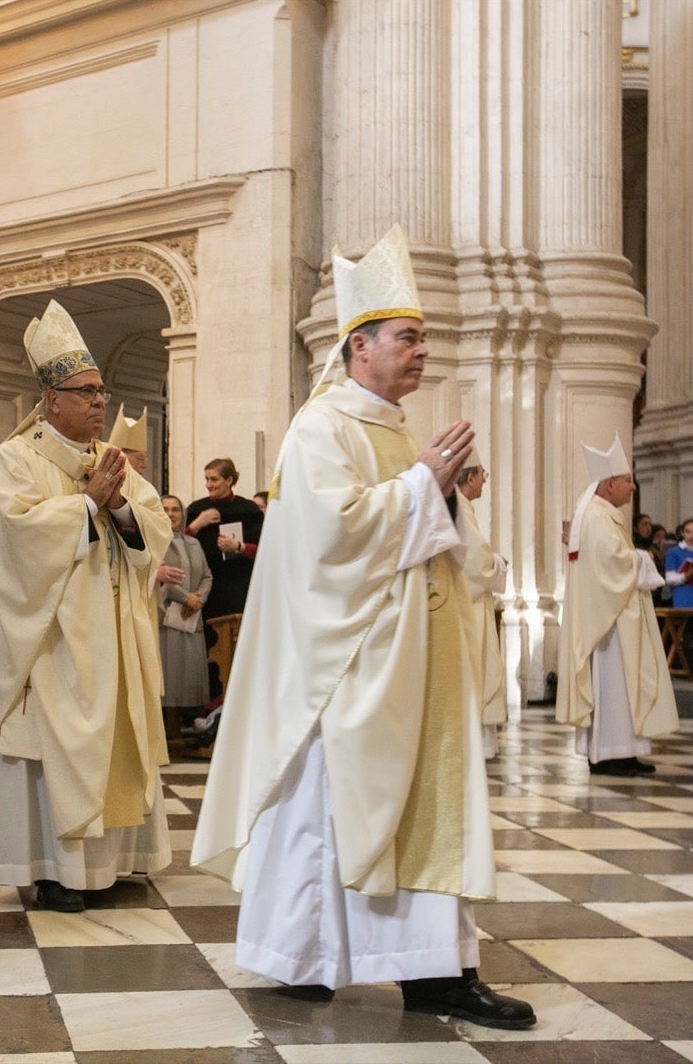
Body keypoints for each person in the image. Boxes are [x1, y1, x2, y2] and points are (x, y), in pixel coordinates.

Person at [191, 226, 532, 1028]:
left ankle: (329, 956)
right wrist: (426, 485)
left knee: (368, 808)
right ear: (359, 345)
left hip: (404, 660)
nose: (421, 351)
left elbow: (418, 529)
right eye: (408, 337)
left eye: (421, 338)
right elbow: (332, 540)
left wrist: (438, 491)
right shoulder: (322, 428)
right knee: (336, 808)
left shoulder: (389, 427)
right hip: (349, 669)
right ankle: (398, 967)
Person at [0, 298, 173, 914]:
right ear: (52, 399)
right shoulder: (16, 459)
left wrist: (116, 506)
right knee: (50, 743)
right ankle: (53, 869)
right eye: (85, 392)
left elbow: (153, 525)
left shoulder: (109, 461)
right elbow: (16, 540)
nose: (99, 403)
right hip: (52, 643)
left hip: (112, 635)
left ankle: (115, 860)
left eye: (101, 392)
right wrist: (86, 505)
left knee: (117, 738)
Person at [556, 435, 679, 777]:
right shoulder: (596, 516)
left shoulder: (599, 513)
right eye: (627, 481)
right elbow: (613, 564)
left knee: (623, 687)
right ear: (610, 485)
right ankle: (609, 754)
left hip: (613, 615)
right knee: (614, 684)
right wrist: (643, 558)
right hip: (609, 623)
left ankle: (623, 751)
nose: (633, 487)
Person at [455, 464, 508, 760]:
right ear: (470, 477)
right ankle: (476, 746)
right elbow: (476, 562)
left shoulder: (463, 507)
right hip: (470, 606)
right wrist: (498, 564)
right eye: (482, 475)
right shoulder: (460, 508)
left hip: (473, 603)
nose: (485, 480)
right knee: (476, 674)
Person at [155, 494, 211, 741]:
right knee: (171, 674)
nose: (171, 514)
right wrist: (184, 597)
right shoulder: (154, 541)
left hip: (192, 616)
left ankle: (193, 727)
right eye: (165, 509)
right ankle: (170, 730)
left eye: (175, 509)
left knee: (191, 673)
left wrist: (198, 597)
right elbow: (156, 575)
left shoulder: (193, 543)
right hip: (168, 616)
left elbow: (207, 575)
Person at [183, 458, 265, 621]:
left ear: (229, 480)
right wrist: (196, 525)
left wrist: (238, 546)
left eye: (214, 479)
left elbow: (264, 550)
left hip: (238, 585)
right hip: (204, 586)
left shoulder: (248, 509)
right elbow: (177, 545)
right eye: (206, 479)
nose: (208, 484)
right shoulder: (196, 509)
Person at [664, 518, 693, 611]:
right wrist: (689, 575)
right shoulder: (674, 552)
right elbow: (670, 579)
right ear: (682, 533)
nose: (691, 536)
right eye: (688, 532)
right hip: (682, 602)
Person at [107, 405, 150, 476]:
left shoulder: (145, 487)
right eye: (140, 458)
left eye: (145, 459)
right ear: (119, 455)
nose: (144, 465)